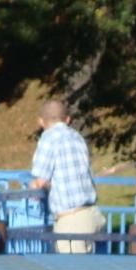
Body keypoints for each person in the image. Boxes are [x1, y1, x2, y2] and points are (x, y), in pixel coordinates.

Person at [29, 99, 105, 253]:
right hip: (93, 215)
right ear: (68, 119)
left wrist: (32, 187)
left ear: (40, 121)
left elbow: (40, 181)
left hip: (72, 221)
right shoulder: (77, 137)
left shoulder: (48, 138)